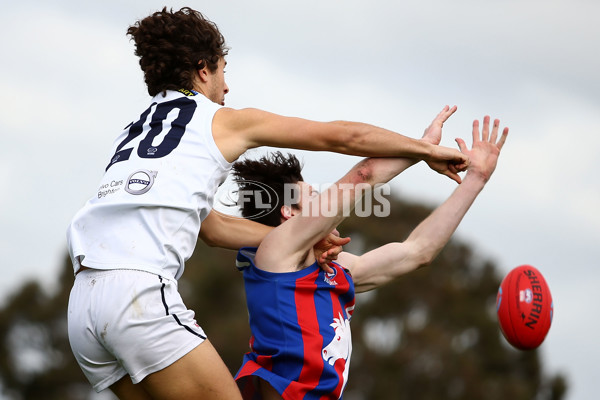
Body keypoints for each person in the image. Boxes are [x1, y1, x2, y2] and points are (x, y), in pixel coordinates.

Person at [66, 6, 470, 400]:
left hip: (83, 307)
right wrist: (420, 149)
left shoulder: (136, 131)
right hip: (137, 293)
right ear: (204, 69)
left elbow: (212, 228)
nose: (226, 88)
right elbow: (341, 137)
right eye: (223, 73)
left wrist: (301, 239)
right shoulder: (220, 119)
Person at [232, 115, 508, 399]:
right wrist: (424, 148)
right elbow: (363, 175)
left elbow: (418, 251)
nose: (324, 199)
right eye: (313, 195)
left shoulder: (334, 269)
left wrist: (475, 179)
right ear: (289, 214)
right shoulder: (276, 254)